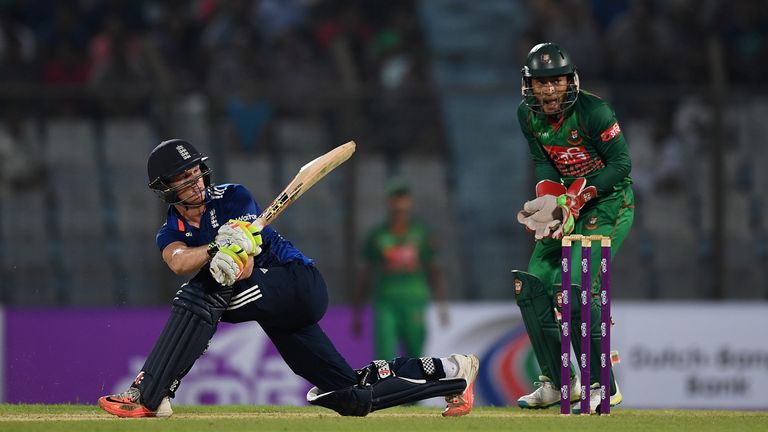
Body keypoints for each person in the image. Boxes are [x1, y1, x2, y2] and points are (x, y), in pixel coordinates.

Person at [97, 139, 479, 418]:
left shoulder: (233, 196)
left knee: (203, 291)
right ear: (165, 187)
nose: (195, 181)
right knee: (350, 395)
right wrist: (217, 247)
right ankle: (452, 375)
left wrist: (233, 249)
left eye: (196, 170)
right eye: (183, 176)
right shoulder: (170, 231)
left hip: (297, 284)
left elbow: (241, 269)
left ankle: (151, 394)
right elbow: (178, 261)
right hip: (273, 307)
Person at [512, 43, 634, 413]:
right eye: (541, 83)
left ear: (570, 81)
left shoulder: (595, 112)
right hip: (568, 205)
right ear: (529, 87)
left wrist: (583, 191)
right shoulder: (527, 116)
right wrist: (549, 198)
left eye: (557, 81)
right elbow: (544, 163)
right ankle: (557, 380)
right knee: (532, 284)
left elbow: (622, 164)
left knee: (577, 284)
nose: (549, 90)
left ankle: (604, 385)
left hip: (609, 203)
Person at [352, 180, 448, 361]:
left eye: (403, 198)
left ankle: (415, 389)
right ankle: (387, 389)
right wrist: (357, 312)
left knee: (416, 355)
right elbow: (366, 273)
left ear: (410, 201)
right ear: (389, 201)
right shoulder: (378, 234)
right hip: (386, 301)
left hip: (414, 300)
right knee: (385, 357)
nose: (400, 203)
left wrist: (442, 305)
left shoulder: (421, 232)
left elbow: (434, 269)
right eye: (396, 198)